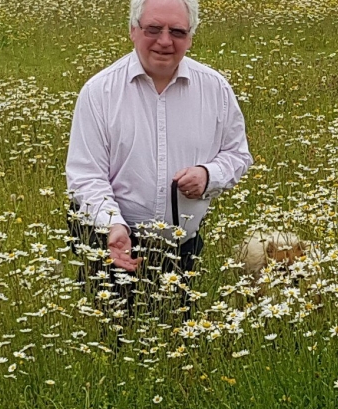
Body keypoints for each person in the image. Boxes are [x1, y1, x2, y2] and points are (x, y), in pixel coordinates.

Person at [65, 0, 252, 311]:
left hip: (183, 249)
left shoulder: (215, 89)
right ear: (133, 31)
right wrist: (112, 225)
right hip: (114, 248)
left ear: (190, 37)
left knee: (178, 346)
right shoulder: (100, 92)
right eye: (154, 29)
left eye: (177, 31)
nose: (165, 41)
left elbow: (237, 154)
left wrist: (209, 175)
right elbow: (86, 176)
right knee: (112, 347)